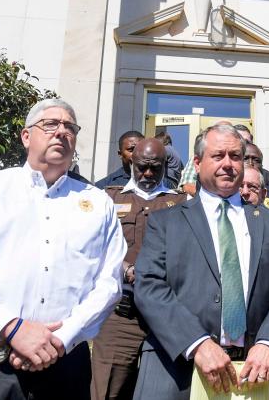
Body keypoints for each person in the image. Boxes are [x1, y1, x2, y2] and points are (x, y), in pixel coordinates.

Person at [0, 98, 126, 400]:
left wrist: (59, 339)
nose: (61, 132)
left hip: (65, 364)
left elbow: (109, 283)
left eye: (70, 127)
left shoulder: (98, 203)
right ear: (26, 136)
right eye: (50, 124)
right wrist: (12, 328)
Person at [133, 123, 269, 400]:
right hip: (176, 369)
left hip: (253, 373)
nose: (228, 164)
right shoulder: (165, 222)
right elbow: (149, 285)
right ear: (198, 162)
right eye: (218, 156)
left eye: (235, 156)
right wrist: (197, 343)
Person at [91, 138, 187, 400]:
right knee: (107, 391)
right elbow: (91, 250)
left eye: (155, 168)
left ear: (165, 165)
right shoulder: (108, 198)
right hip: (122, 315)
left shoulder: (181, 203)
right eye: (141, 167)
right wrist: (123, 269)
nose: (147, 174)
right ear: (130, 162)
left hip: (166, 317)